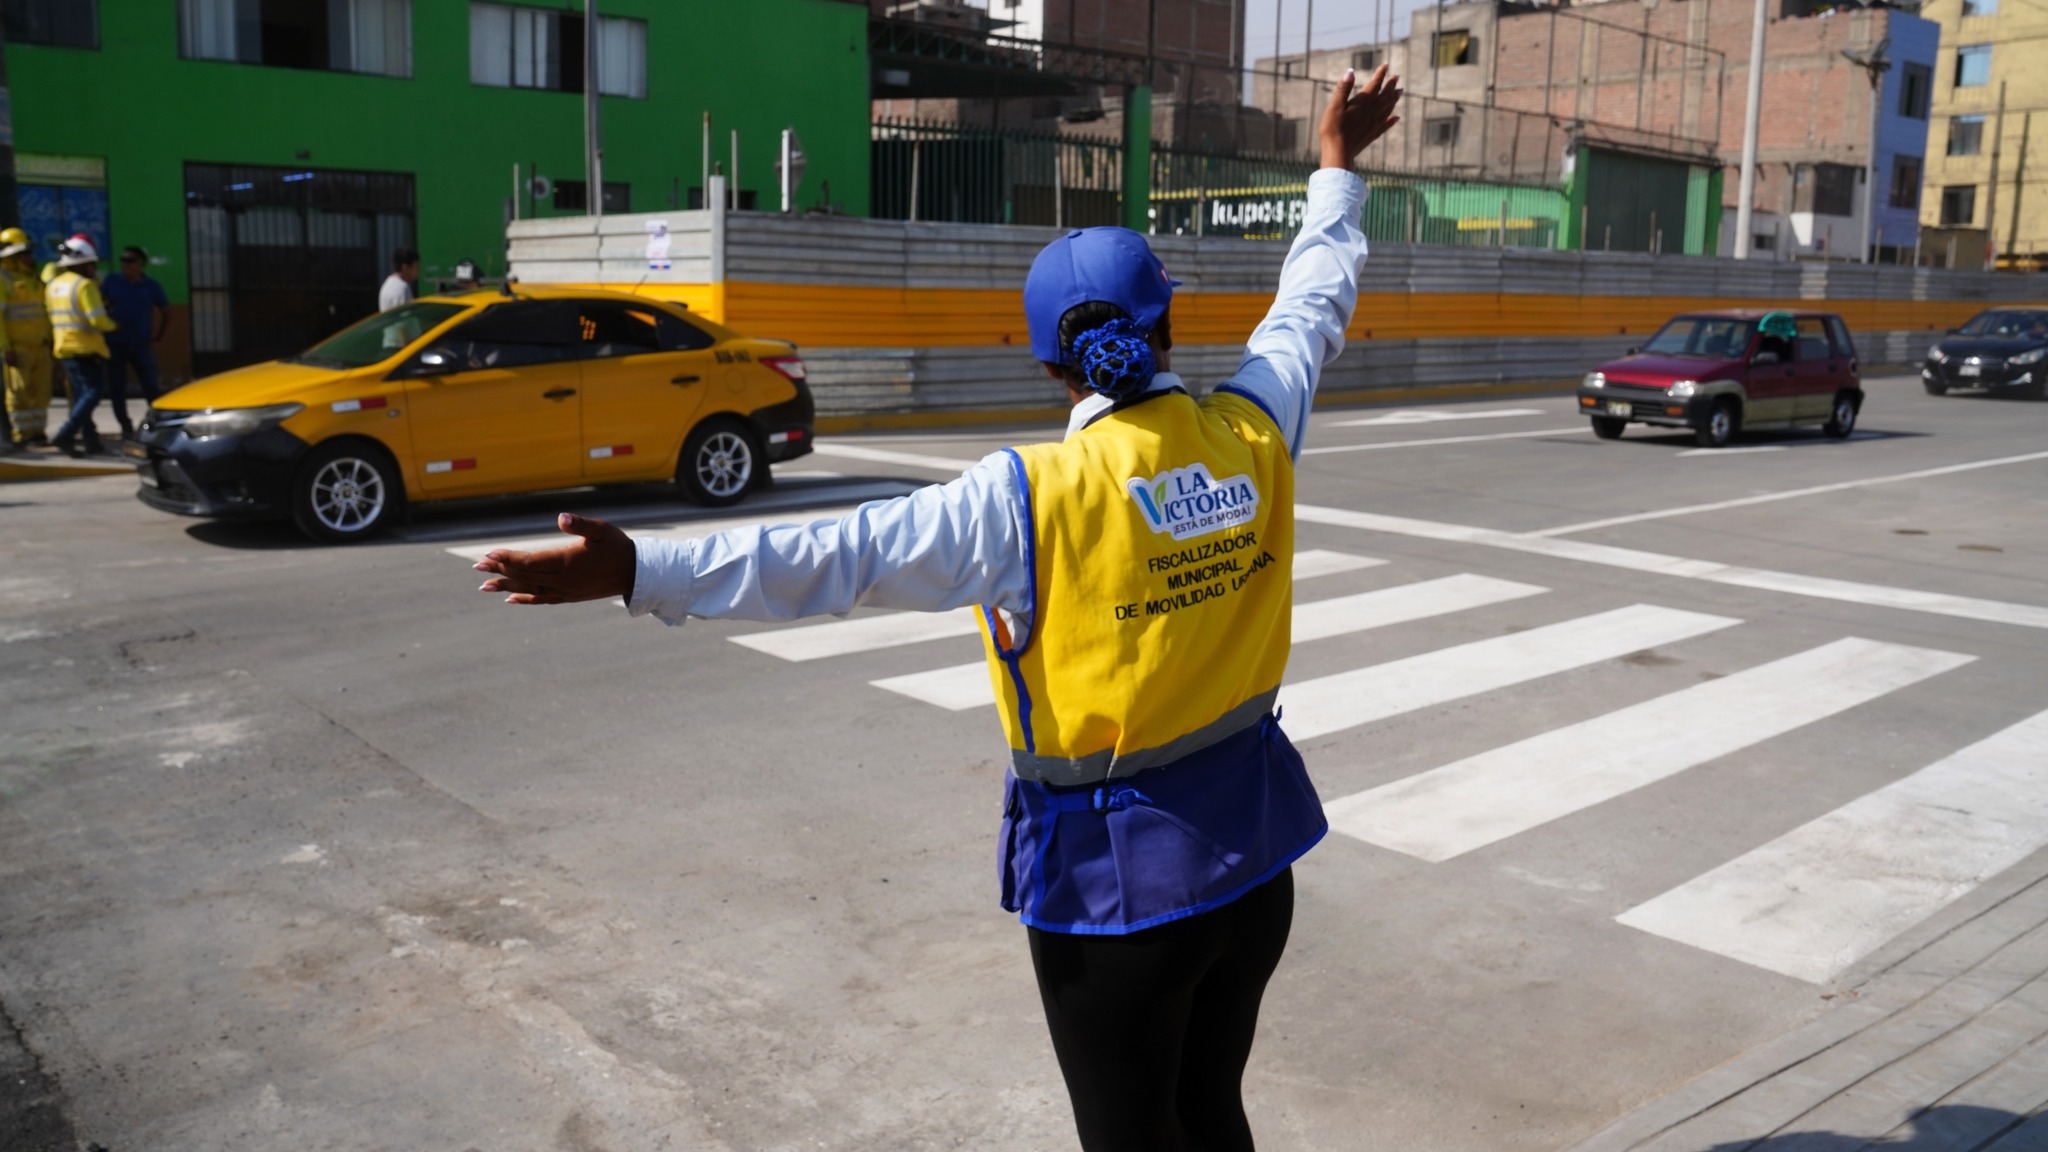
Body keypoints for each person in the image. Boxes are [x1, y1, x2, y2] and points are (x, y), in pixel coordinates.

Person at [474, 67, 1402, 1152]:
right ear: (1166, 327)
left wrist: (641, 569)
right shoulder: (1252, 430)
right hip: (1256, 864)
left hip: (1120, 896)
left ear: (1047, 361)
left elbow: (833, 556)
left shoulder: (1026, 500)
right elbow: (1309, 305)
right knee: (1210, 1110)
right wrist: (1334, 167)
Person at [46, 237, 118, 456]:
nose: (93, 268)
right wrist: (114, 325)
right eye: (91, 264)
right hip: (85, 348)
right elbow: (97, 320)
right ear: (81, 264)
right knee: (93, 392)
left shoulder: (54, 285)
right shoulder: (85, 285)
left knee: (81, 396)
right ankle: (65, 434)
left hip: (64, 348)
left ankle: (90, 439)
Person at [101, 245, 170, 439]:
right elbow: (99, 306)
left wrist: (159, 336)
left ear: (141, 264)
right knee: (117, 388)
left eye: (130, 260)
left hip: (141, 344)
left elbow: (166, 312)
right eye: (123, 260)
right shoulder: (112, 282)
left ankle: (157, 424)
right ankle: (125, 426)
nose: (125, 264)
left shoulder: (151, 286)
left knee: (151, 387)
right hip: (115, 343)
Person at [0, 227, 54, 448]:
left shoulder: (33, 279)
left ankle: (38, 433)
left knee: (41, 393)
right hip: (18, 347)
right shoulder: (3, 279)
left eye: (29, 252)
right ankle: (23, 435)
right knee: (20, 394)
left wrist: (49, 339)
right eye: (24, 253)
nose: (29, 257)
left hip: (40, 346)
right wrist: (5, 347)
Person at [379, 247, 419, 312]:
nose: (418, 270)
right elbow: (405, 315)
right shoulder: (402, 288)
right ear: (405, 267)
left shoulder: (387, 284)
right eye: (416, 267)